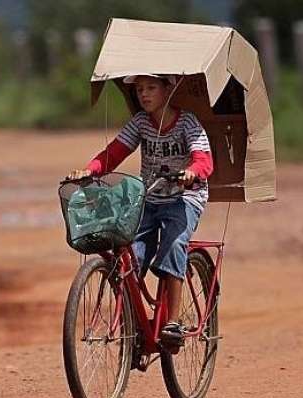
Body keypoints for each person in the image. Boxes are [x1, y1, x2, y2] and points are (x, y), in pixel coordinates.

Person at [67, 74, 214, 344]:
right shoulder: (140, 123)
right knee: (131, 254)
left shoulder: (187, 123)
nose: (144, 94)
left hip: (184, 198)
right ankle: (133, 323)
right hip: (149, 198)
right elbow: (114, 152)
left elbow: (203, 160)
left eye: (151, 88)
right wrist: (91, 169)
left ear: (167, 90)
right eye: (139, 89)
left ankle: (173, 323)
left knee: (173, 243)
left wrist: (191, 172)